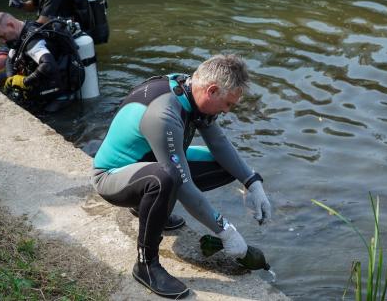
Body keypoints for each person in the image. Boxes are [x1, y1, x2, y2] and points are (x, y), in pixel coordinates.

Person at [91, 54, 272, 299]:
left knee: (221, 165)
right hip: (113, 177)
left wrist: (253, 182)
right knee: (166, 178)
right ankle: (146, 265)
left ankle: (150, 209)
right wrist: (225, 230)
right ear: (212, 90)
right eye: (228, 104)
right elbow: (183, 184)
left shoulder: (191, 91)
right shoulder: (164, 114)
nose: (227, 112)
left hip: (149, 164)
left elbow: (218, 142)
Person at [0, 12, 84, 112]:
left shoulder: (33, 43)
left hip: (59, 93)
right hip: (45, 88)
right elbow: (10, 58)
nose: (2, 41)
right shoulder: (20, 35)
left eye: (2, 36)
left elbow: (48, 65)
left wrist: (24, 81)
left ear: (11, 25)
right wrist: (11, 77)